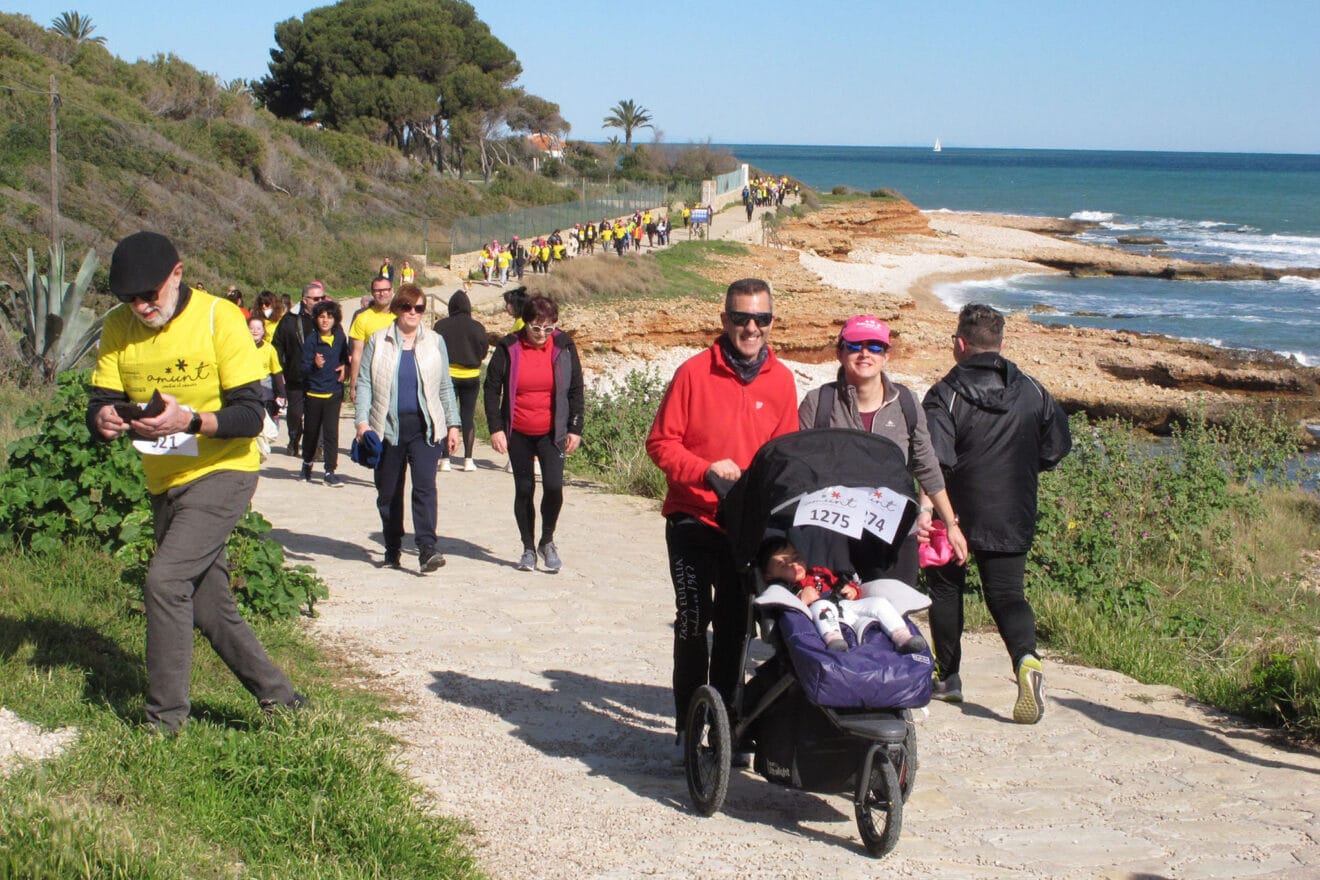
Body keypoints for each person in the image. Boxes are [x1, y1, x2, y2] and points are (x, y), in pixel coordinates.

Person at [86, 231, 305, 733]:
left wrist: (189, 421)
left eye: (150, 294)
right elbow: (99, 402)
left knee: (164, 582)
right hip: (165, 479)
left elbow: (253, 414)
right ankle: (282, 700)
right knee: (208, 603)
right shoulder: (119, 327)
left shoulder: (218, 318)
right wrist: (104, 420)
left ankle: (163, 723)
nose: (141, 307)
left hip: (223, 469)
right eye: (129, 299)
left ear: (178, 274)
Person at [645, 278, 798, 762]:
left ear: (772, 321)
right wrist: (705, 472)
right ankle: (686, 728)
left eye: (761, 319)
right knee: (693, 623)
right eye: (740, 318)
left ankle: (727, 729)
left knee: (735, 628)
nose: (751, 328)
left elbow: (785, 457)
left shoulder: (782, 380)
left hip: (744, 528)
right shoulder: (693, 373)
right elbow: (660, 444)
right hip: (692, 517)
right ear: (724, 319)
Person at [922, 303, 1072, 723]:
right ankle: (1026, 659)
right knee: (1008, 595)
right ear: (1002, 345)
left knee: (946, 590)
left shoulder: (945, 395)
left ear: (959, 344)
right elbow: (1057, 447)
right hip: (1012, 508)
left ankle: (948, 678)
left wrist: (938, 513)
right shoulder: (1032, 390)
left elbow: (934, 460)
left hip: (953, 512)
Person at [798, 315, 968, 584]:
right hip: (835, 535)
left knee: (894, 618)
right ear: (839, 352)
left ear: (886, 356)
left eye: (875, 347)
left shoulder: (907, 404)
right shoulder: (818, 402)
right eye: (855, 345)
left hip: (896, 535)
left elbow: (926, 466)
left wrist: (949, 524)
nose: (865, 353)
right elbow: (802, 471)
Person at [354, 284, 461, 572]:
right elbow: (364, 383)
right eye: (407, 307)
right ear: (397, 309)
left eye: (419, 308)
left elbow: (444, 386)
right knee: (388, 492)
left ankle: (427, 548)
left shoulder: (435, 341)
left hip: (425, 428)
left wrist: (453, 424)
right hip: (387, 428)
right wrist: (362, 422)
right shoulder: (378, 340)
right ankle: (392, 546)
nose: (413, 313)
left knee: (425, 488)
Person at [483, 295, 584, 573]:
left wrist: (575, 427)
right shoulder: (509, 347)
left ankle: (547, 541)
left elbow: (576, 388)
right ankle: (528, 547)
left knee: (553, 487)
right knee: (524, 489)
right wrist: (496, 428)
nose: (542, 334)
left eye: (548, 328)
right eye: (536, 328)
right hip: (518, 432)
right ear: (525, 323)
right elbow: (491, 389)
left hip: (553, 432)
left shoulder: (564, 346)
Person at [760, 540, 927, 654]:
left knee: (879, 603)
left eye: (796, 558)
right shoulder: (784, 589)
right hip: (823, 617)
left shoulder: (819, 573)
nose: (794, 565)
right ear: (768, 575)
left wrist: (852, 589)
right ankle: (835, 640)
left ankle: (902, 636)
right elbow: (787, 612)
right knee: (821, 606)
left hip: (846, 606)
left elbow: (839, 582)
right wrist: (801, 601)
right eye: (782, 564)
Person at [433, 289, 489, 472]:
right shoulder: (477, 327)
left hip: (447, 375)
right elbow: (483, 351)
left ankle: (445, 458)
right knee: (467, 416)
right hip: (471, 376)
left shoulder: (440, 326)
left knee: (447, 416)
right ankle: (468, 459)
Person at [272, 281, 326, 457]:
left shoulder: (328, 319)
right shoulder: (289, 320)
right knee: (295, 414)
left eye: (322, 297)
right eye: (316, 298)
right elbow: (277, 346)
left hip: (321, 376)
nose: (320, 301)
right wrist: (279, 370)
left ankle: (317, 446)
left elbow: (339, 343)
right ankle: (294, 439)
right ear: (305, 300)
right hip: (295, 375)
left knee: (319, 412)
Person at [300, 299, 349, 486]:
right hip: (313, 393)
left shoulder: (339, 338)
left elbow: (346, 359)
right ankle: (307, 463)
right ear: (316, 319)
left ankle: (330, 471)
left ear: (336, 319)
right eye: (321, 317)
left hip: (333, 393)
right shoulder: (311, 340)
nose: (325, 320)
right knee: (311, 432)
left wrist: (345, 367)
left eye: (329, 317)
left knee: (331, 433)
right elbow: (302, 368)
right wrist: (314, 364)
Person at [348, 276, 397, 401]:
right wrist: (354, 384)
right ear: (372, 293)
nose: (382, 293)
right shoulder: (362, 318)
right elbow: (357, 353)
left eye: (385, 289)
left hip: (397, 376)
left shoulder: (401, 316)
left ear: (392, 290)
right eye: (377, 290)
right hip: (371, 377)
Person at [247, 315, 286, 424]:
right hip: (247, 390)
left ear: (263, 331)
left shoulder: (269, 349)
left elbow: (276, 372)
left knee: (266, 422)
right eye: (251, 328)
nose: (255, 331)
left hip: (265, 390)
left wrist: (281, 394)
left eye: (258, 328)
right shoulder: (241, 348)